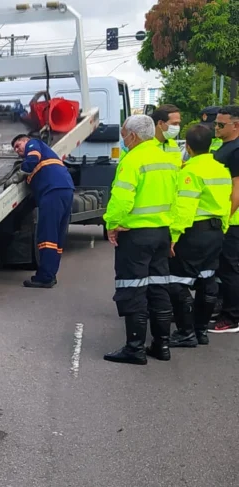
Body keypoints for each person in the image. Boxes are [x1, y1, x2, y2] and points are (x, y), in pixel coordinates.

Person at [103, 115, 179, 365]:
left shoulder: (133, 159)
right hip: (162, 232)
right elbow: (177, 199)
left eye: (124, 135)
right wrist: (172, 232)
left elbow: (122, 197)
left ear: (133, 136)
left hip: (135, 234)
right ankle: (161, 345)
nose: (123, 140)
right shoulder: (167, 159)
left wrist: (112, 223)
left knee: (133, 288)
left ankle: (135, 349)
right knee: (159, 287)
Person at [167, 125, 232, 348]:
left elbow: (185, 208)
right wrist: (223, 228)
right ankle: (201, 331)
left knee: (177, 282)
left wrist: (174, 236)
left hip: (194, 232)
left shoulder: (190, 172)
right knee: (207, 279)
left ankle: (186, 332)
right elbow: (226, 202)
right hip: (215, 231)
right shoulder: (221, 170)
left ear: (188, 147)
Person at [12, 134, 75, 288]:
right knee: (56, 238)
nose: (17, 150)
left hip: (52, 191)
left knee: (47, 235)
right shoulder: (46, 155)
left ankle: (45, 277)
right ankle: (50, 274)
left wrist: (21, 173)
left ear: (26, 140)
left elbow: (33, 158)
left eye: (18, 146)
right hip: (65, 190)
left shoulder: (33, 144)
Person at [210, 105, 239, 333]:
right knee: (223, 269)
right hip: (225, 218)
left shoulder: (236, 150)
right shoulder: (225, 146)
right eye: (216, 123)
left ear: (236, 125)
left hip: (233, 220)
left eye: (221, 124)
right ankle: (225, 310)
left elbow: (237, 189)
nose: (216, 127)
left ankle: (232, 317)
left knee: (230, 270)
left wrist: (225, 219)